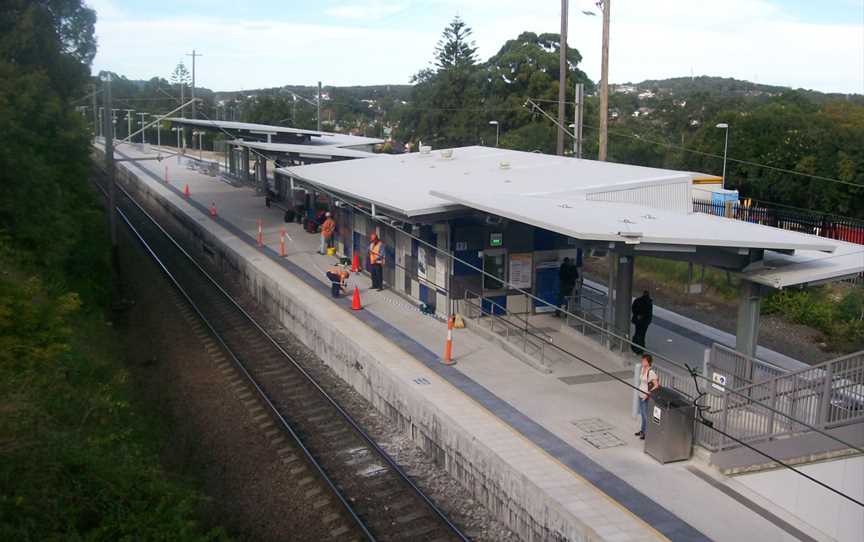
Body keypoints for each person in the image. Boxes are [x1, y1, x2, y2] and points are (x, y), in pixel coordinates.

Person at [635, 354, 659, 440]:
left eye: (644, 361)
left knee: (645, 415)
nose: (642, 362)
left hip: (645, 396)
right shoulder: (642, 369)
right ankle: (642, 430)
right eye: (642, 360)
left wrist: (648, 394)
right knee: (642, 414)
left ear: (648, 362)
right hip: (640, 395)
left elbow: (656, 385)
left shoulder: (651, 372)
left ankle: (646, 432)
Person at [631, 290, 653, 354]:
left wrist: (637, 315)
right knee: (642, 334)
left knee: (637, 332)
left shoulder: (637, 300)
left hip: (638, 321)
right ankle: (640, 348)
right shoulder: (649, 302)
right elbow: (649, 313)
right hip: (645, 322)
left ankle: (634, 346)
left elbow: (633, 308)